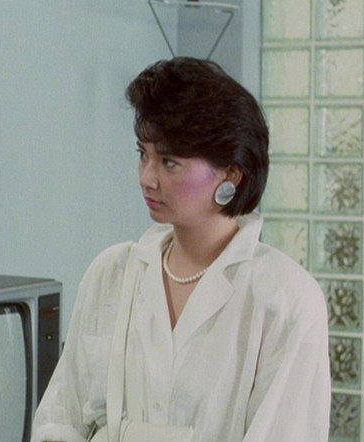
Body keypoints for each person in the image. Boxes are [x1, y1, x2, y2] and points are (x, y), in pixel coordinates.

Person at [31, 57, 331, 442]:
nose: (147, 177)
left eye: (169, 162)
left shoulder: (285, 299)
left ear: (230, 173)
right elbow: (60, 419)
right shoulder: (112, 273)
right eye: (143, 154)